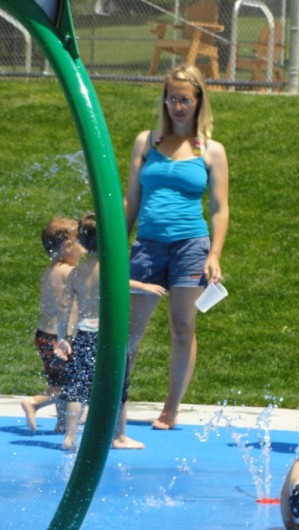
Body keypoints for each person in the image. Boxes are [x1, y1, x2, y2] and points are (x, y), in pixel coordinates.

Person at [123, 64, 229, 430]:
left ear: (198, 101)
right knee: (130, 330)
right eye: (172, 98)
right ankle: (114, 402)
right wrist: (112, 247)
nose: (177, 106)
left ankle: (171, 407)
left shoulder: (210, 150)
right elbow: (131, 201)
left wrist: (214, 254)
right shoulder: (146, 141)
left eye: (184, 99)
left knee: (182, 327)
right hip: (148, 245)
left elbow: (220, 209)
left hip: (190, 246)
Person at [55, 213, 161, 450]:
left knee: (78, 390)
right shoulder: (112, 269)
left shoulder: (76, 272)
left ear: (82, 241)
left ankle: (69, 437)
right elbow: (123, 283)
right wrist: (144, 287)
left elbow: (64, 307)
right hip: (109, 338)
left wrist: (63, 338)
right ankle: (118, 436)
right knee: (118, 387)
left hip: (83, 335)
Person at [21, 216, 84, 433]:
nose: (84, 250)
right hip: (61, 338)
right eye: (82, 243)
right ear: (68, 245)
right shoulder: (69, 273)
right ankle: (35, 402)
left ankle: (60, 423)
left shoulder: (49, 271)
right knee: (70, 385)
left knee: (58, 380)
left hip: (44, 336)